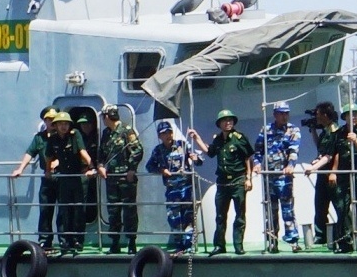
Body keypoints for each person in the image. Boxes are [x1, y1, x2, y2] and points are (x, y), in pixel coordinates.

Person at [187, 110, 253, 255]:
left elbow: (248, 158)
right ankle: (219, 245)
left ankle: (238, 245)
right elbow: (209, 152)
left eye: (230, 120)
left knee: (240, 215)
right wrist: (196, 138)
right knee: (220, 216)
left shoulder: (239, 138)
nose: (228, 123)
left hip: (238, 181)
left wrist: (248, 178)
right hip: (222, 183)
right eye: (225, 120)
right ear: (220, 124)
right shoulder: (218, 140)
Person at [145, 120, 202, 253]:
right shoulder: (158, 151)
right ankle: (179, 245)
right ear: (159, 136)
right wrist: (161, 170)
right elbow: (149, 166)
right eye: (164, 133)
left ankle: (189, 245)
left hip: (186, 188)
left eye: (169, 132)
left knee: (187, 217)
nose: (167, 135)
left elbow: (199, 160)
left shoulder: (182, 145)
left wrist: (195, 158)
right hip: (172, 190)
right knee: (174, 218)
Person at [253, 102, 302, 251]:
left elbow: (294, 150)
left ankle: (293, 241)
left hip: (284, 176)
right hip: (269, 176)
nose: (284, 116)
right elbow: (258, 150)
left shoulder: (293, 130)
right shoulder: (266, 130)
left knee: (287, 209)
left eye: (286, 113)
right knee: (270, 209)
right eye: (281, 113)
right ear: (275, 114)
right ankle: (272, 241)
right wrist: (257, 163)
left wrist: (291, 165)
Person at [43, 111, 94, 255]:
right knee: (64, 210)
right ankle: (64, 241)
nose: (63, 127)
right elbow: (48, 156)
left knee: (79, 209)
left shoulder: (75, 135)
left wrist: (92, 166)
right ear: (56, 126)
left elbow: (82, 151)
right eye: (60, 124)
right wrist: (48, 171)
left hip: (78, 177)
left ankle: (78, 240)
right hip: (64, 178)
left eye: (66, 124)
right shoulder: (53, 139)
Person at [9, 108, 59, 250]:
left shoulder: (63, 137)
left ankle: (64, 240)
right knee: (45, 210)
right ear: (45, 121)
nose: (52, 123)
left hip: (63, 177)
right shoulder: (39, 138)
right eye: (49, 120)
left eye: (54, 120)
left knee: (64, 211)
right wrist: (20, 169)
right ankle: (45, 240)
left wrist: (58, 162)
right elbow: (30, 153)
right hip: (47, 177)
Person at [97, 105, 144, 253]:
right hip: (111, 178)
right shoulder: (106, 133)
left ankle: (131, 242)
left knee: (129, 210)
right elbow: (101, 153)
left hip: (125, 178)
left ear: (107, 117)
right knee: (113, 210)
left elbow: (137, 150)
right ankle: (115, 242)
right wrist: (100, 166)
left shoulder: (126, 130)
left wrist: (131, 169)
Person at [330, 103, 357, 252]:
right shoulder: (338, 134)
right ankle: (345, 240)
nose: (353, 117)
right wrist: (333, 172)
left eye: (355, 114)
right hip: (343, 173)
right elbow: (336, 154)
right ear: (345, 117)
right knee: (342, 206)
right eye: (349, 115)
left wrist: (356, 141)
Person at [302, 102, 340, 247]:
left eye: (318, 114)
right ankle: (321, 236)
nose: (316, 117)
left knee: (339, 206)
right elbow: (321, 148)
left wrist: (313, 168)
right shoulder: (325, 131)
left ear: (325, 115)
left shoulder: (333, 131)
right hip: (322, 174)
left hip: (331, 175)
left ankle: (342, 235)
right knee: (320, 206)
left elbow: (329, 155)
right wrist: (313, 131)